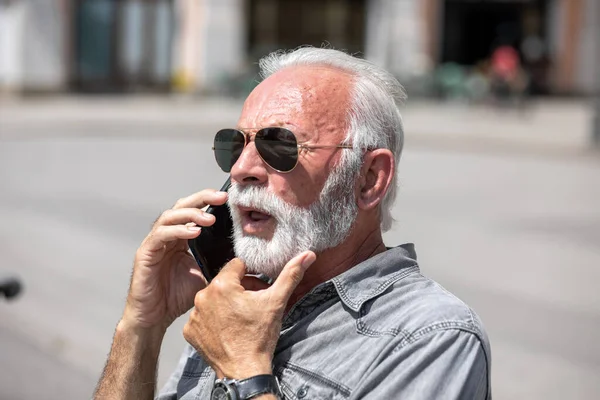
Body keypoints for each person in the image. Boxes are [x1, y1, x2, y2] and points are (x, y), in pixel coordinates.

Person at [94, 47, 492, 400]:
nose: (241, 169)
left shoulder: (432, 336)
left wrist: (245, 375)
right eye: (236, 145)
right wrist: (141, 326)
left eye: (280, 145)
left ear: (369, 178)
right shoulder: (233, 302)